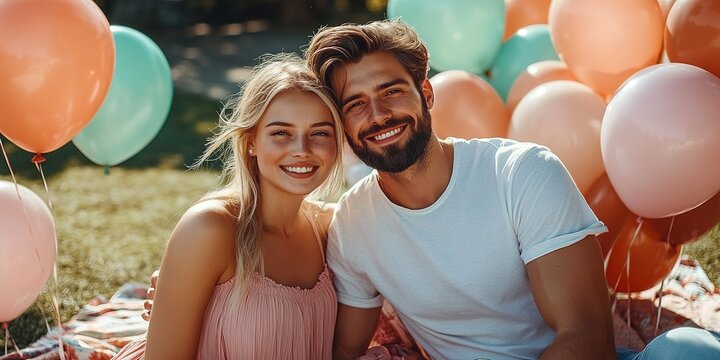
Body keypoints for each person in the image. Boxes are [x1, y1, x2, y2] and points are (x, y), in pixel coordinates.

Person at [303, 20, 720, 359]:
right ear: (343, 125)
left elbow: (587, 340)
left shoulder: (522, 173)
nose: (378, 114)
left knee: (687, 351)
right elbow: (345, 350)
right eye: (355, 104)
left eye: (391, 91)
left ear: (426, 94)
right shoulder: (354, 225)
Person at [113, 54, 345, 359]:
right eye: (281, 133)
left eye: (319, 133)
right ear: (251, 141)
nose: (301, 150)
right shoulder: (210, 228)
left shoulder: (330, 228)